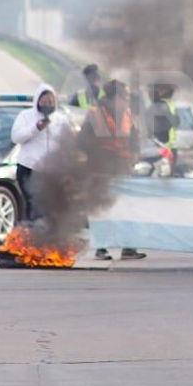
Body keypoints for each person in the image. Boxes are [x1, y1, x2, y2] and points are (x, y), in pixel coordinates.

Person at [78, 80, 146, 261]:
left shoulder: (127, 114)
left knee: (128, 207)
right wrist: (100, 156)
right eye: (124, 96)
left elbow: (135, 138)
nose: (127, 100)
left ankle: (129, 248)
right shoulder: (95, 114)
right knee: (103, 209)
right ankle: (101, 248)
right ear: (114, 97)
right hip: (101, 169)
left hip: (122, 168)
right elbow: (82, 140)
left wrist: (134, 155)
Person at [10, 83, 70, 221]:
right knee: (33, 205)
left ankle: (49, 232)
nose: (47, 105)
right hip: (29, 168)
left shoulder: (61, 120)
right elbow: (16, 137)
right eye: (44, 102)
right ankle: (32, 230)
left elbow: (67, 142)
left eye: (50, 102)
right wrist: (36, 128)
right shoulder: (26, 116)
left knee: (51, 206)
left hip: (52, 171)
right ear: (37, 101)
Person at [146, 83, 179, 169]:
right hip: (165, 145)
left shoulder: (159, 107)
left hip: (162, 145)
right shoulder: (166, 105)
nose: (149, 94)